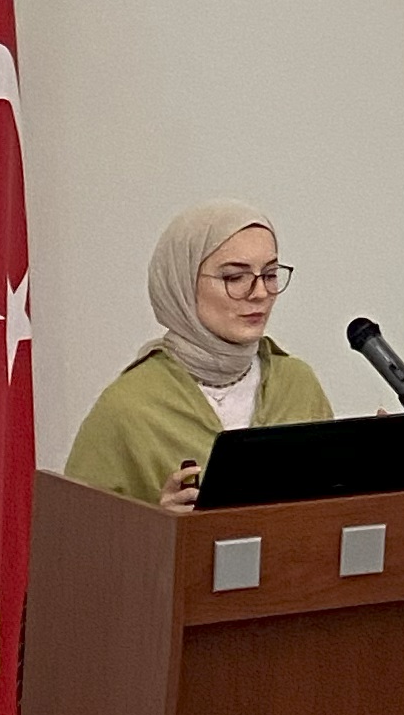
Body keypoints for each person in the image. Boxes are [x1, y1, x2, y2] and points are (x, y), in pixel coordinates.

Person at [64, 200, 332, 513]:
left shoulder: (298, 384)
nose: (260, 293)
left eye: (270, 274)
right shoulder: (128, 408)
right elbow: (73, 534)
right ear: (182, 283)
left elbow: (335, 512)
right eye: (235, 277)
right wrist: (160, 525)